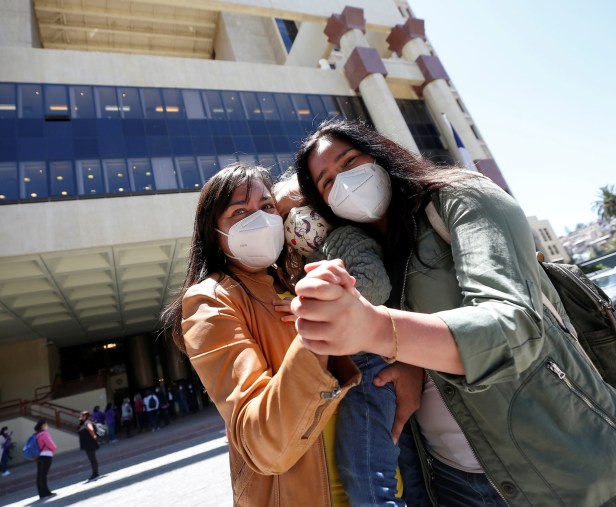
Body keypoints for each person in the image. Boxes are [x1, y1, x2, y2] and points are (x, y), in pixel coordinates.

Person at [290, 118, 616, 506]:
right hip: (451, 479)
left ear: (380, 154)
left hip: (559, 465)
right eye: (327, 182)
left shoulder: (461, 197)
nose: (342, 181)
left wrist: (380, 329)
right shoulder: (367, 254)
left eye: (349, 161)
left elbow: (514, 325)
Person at [161, 162, 362, 506]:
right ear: (215, 233)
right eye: (240, 211)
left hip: (369, 486)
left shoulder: (294, 282)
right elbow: (261, 441)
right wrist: (316, 327)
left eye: (267, 207)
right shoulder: (210, 300)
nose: (260, 220)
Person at [273, 172, 402, 506]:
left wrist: (313, 304)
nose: (296, 221)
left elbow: (375, 286)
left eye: (300, 208)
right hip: (353, 368)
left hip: (370, 368)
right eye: (285, 217)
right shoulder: (300, 262)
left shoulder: (344, 239)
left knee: (367, 475)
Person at [34, 419, 57, 499]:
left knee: (40, 475)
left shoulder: (36, 434)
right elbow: (49, 443)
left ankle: (41, 493)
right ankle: (46, 492)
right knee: (44, 475)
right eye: (46, 424)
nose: (47, 425)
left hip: (39, 456)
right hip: (46, 455)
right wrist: (54, 449)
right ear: (43, 425)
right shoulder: (44, 433)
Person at [78, 410, 100, 480]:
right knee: (92, 459)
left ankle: (95, 473)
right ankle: (95, 473)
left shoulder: (87, 422)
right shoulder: (84, 423)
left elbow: (91, 429)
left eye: (81, 416)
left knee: (92, 459)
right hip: (88, 444)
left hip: (89, 444)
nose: (80, 417)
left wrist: (94, 437)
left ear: (85, 416)